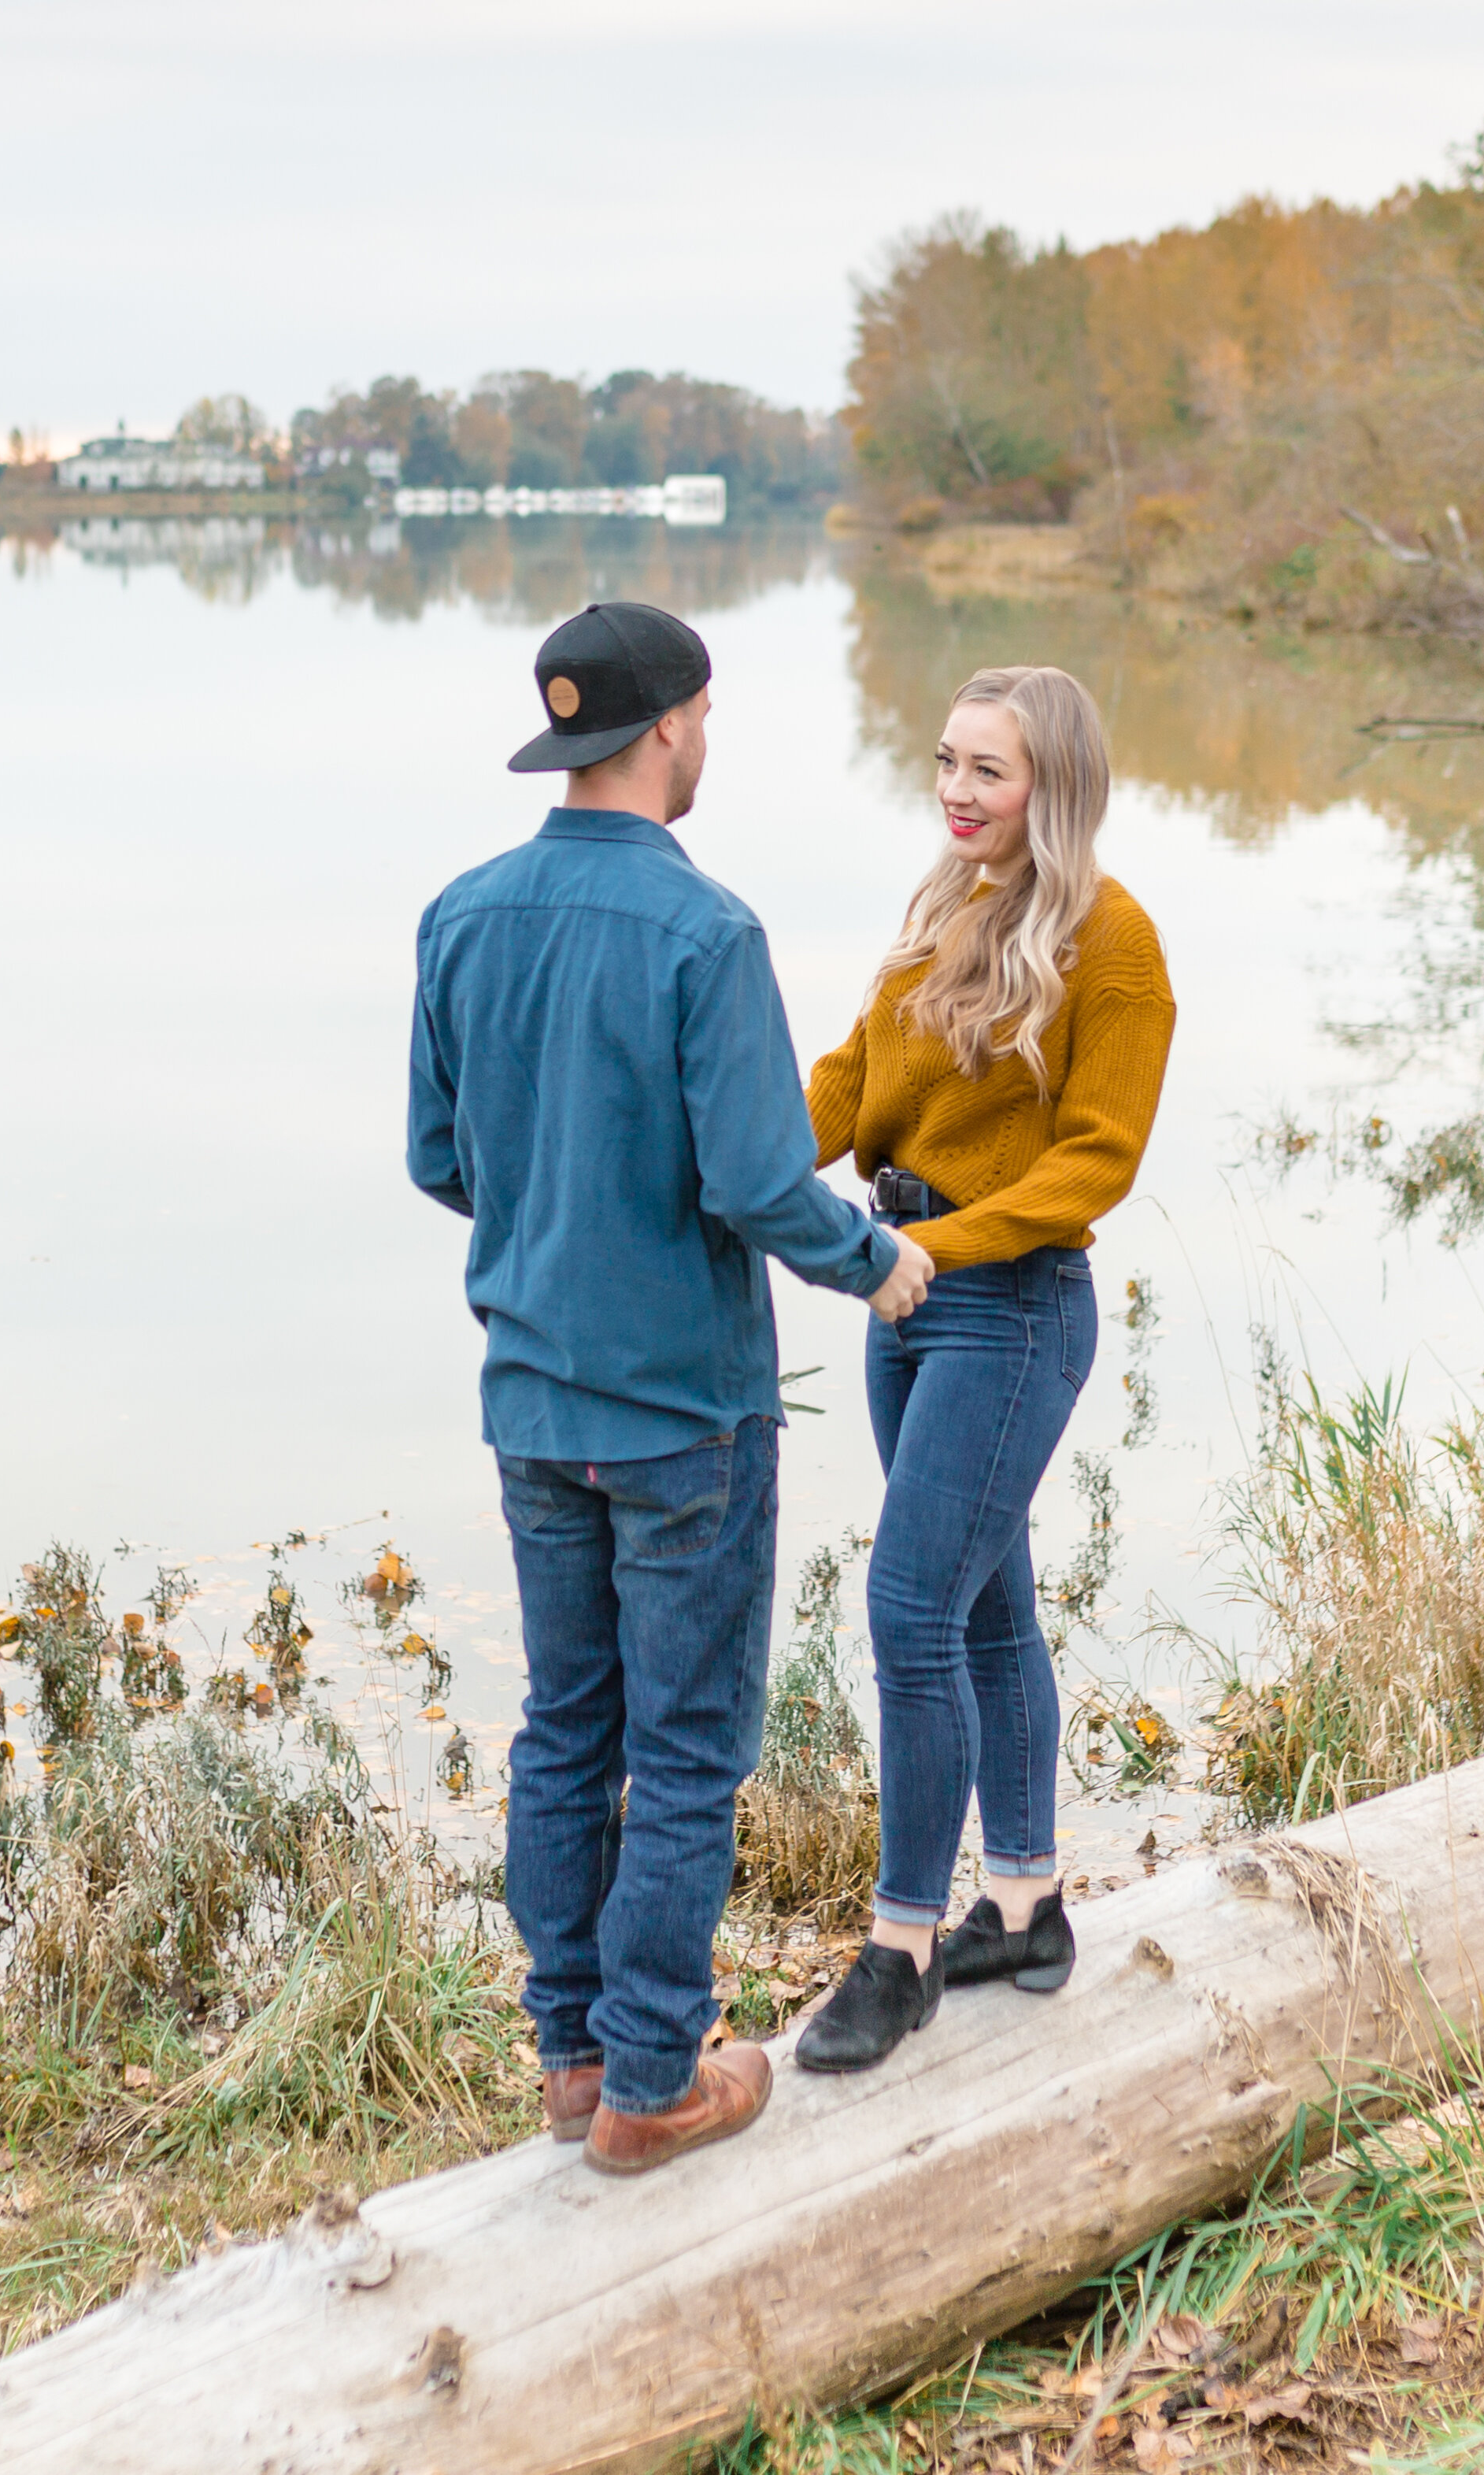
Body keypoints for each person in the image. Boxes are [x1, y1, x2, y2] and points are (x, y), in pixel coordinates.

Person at [407, 601, 933, 2173]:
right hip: (684, 1415)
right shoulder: (710, 934)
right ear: (672, 726)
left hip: (532, 1401)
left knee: (567, 1727)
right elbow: (764, 1184)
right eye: (705, 718)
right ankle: (652, 2082)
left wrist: (559, 1215)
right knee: (689, 1749)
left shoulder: (460, 915)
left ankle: (571, 2056)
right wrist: (874, 1264)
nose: (708, 741)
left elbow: (444, 1160)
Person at [794, 665, 1175, 2074]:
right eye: (946, 763)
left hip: (1007, 1305)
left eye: (987, 773)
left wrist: (941, 1248)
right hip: (908, 1296)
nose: (956, 793)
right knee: (984, 1608)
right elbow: (851, 1082)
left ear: (1051, 787)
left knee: (907, 1609)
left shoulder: (1112, 941)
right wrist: (750, 1155)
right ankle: (1022, 1901)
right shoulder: (945, 907)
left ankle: (899, 1950)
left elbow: (1096, 1159)